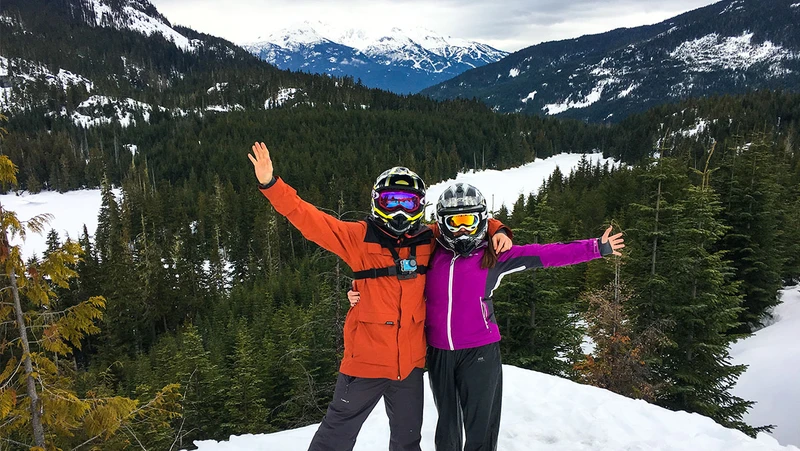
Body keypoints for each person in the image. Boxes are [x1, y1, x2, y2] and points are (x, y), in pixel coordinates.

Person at [247, 143, 513, 451]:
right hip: (365, 363)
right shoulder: (358, 238)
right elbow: (310, 220)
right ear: (377, 203)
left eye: (408, 203)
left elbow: (463, 221)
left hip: (409, 367)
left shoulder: (428, 240)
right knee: (336, 437)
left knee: (407, 441)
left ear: (419, 206)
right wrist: (270, 184)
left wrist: (498, 227)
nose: (399, 211)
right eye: (391, 202)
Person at [349, 182, 624, 451]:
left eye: (469, 220)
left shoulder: (494, 255)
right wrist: (358, 293)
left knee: (481, 425)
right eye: (453, 222)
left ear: (481, 219)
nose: (461, 228)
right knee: (447, 427)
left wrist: (595, 247)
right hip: (438, 351)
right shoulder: (429, 249)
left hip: (480, 350)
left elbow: (545, 254)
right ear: (441, 223)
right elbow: (389, 269)